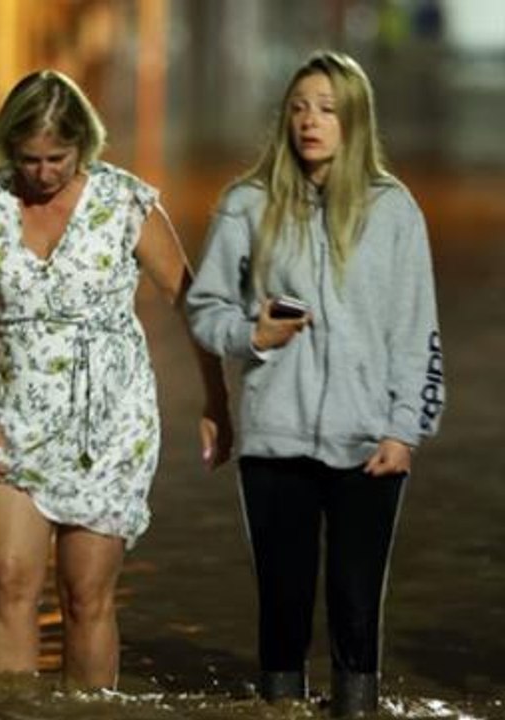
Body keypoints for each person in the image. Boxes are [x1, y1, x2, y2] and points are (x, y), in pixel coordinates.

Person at [0, 69, 232, 689]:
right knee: (10, 582)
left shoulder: (126, 203)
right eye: (29, 159)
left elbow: (191, 302)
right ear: (8, 148)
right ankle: (12, 709)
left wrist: (217, 398)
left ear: (83, 146)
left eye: (57, 158)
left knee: (85, 597)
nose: (43, 172)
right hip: (13, 415)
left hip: (109, 425)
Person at [186, 51, 443, 717]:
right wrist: (252, 335)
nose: (310, 121)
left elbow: (418, 333)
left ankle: (358, 709)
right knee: (283, 609)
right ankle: (280, 709)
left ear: (355, 121)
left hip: (369, 445)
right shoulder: (247, 203)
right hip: (275, 442)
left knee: (358, 609)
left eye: (327, 109)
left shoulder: (394, 211)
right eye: (299, 107)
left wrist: (404, 430)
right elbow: (204, 308)